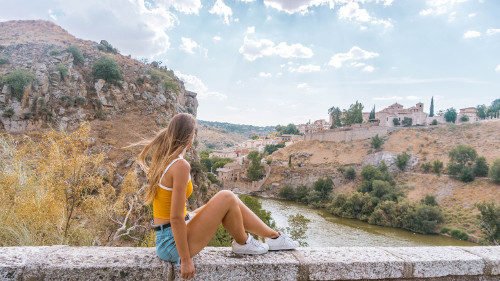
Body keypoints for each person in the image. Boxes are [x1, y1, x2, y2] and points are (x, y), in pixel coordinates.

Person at [134, 113, 298, 280]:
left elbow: (175, 215)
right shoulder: (180, 165)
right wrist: (185, 260)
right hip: (172, 244)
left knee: (231, 199)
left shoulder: (166, 160)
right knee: (226, 196)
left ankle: (274, 237)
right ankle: (244, 242)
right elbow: (175, 218)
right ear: (191, 139)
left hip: (167, 236)